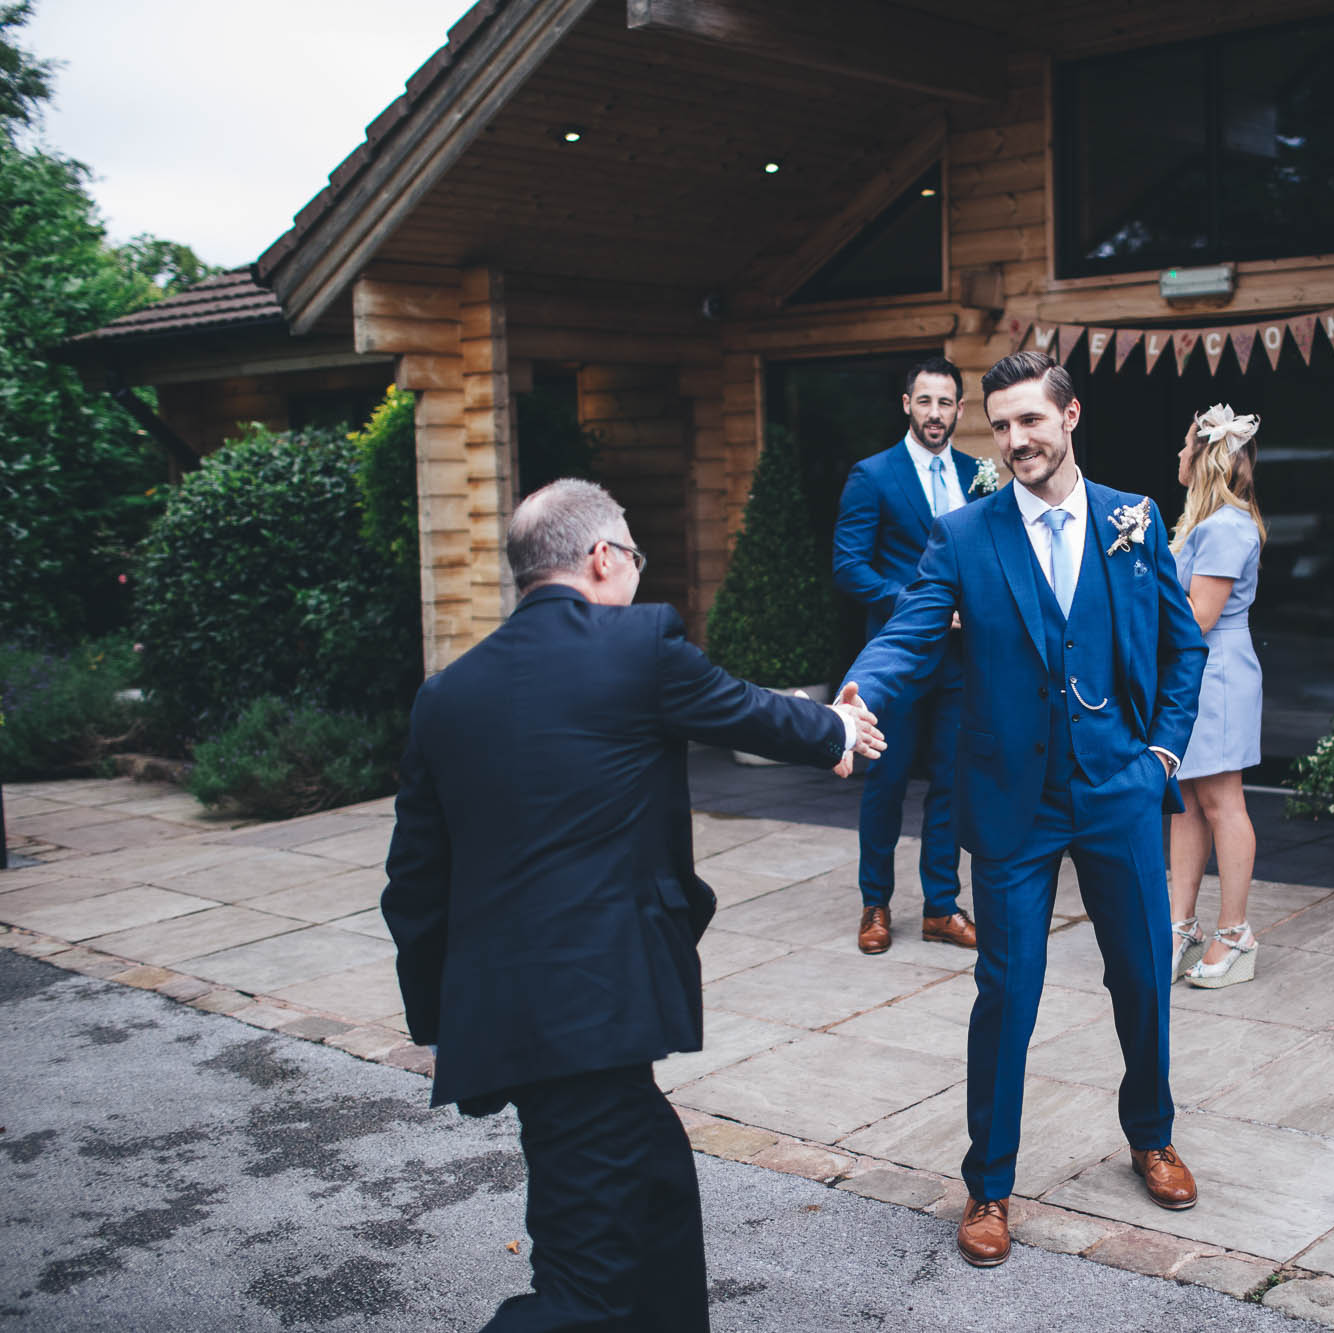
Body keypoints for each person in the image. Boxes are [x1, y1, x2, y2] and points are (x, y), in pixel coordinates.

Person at [381, 479, 882, 1330]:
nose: (639, 581)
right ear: (603, 558)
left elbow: (413, 883)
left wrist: (448, 1020)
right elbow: (744, 710)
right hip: (593, 1010)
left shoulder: (447, 694)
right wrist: (839, 732)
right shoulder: (635, 644)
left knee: (656, 1192)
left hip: (521, 1016)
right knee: (586, 1287)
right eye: (635, 560)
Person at [841, 350, 1208, 1268]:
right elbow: (912, 631)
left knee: (1142, 973)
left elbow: (1183, 647)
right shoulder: (965, 534)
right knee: (1008, 992)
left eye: (1029, 421)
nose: (1013, 441)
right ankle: (988, 1185)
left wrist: (1162, 749)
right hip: (1010, 800)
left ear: (1070, 416)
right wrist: (860, 694)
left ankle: (1152, 1135)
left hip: (1119, 789)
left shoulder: (1135, 518)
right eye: (999, 426)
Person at [831, 357, 980, 956]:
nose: (935, 414)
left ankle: (942, 908)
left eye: (945, 403)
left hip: (961, 660)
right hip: (896, 658)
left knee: (950, 783)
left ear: (960, 410)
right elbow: (848, 566)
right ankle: (876, 905)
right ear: (906, 404)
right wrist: (916, 606)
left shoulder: (980, 474)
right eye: (925, 402)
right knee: (886, 783)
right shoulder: (872, 475)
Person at [1166, 403, 1267, 989]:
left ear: (1205, 456)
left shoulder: (1226, 526)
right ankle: (1180, 924)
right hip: (1196, 673)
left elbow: (1198, 617)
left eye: (1185, 446)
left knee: (1224, 801)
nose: (1178, 456)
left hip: (1218, 674)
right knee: (1186, 799)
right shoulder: (1203, 523)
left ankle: (1235, 933)